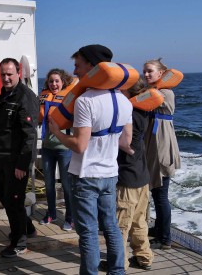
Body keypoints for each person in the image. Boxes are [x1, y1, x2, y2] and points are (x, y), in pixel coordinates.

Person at [49, 44, 132, 275]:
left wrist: (56, 132)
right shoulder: (125, 101)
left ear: (93, 67)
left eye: (78, 66)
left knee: (88, 232)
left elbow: (79, 145)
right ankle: (117, 271)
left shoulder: (85, 101)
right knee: (112, 227)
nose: (74, 72)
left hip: (86, 174)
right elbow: (126, 141)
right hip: (110, 174)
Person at [0, 58, 39, 258]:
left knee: (14, 201)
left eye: (9, 74)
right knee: (1, 194)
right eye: (3, 75)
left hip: (17, 161)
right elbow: (6, 124)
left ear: (19, 72)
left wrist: (23, 164)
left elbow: (30, 134)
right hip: (4, 157)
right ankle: (27, 228)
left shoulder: (25, 97)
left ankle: (19, 242)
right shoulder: (6, 95)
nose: (6, 78)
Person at [115, 79, 154, 271]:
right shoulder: (144, 112)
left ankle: (120, 263)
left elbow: (124, 143)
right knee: (140, 221)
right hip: (142, 175)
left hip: (127, 176)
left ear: (129, 94)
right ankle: (144, 257)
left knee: (122, 224)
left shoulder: (127, 113)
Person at [143, 58, 181, 250]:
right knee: (157, 193)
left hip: (162, 148)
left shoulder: (165, 93)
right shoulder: (153, 92)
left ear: (161, 74)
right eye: (145, 72)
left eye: (150, 71)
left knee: (160, 195)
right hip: (153, 147)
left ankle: (165, 238)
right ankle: (158, 229)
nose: (146, 74)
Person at [39, 69, 74, 231]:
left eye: (57, 81)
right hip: (47, 147)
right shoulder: (43, 97)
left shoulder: (70, 98)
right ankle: (51, 213)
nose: (54, 84)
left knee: (67, 185)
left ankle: (70, 217)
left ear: (63, 82)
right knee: (49, 184)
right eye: (51, 81)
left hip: (65, 148)